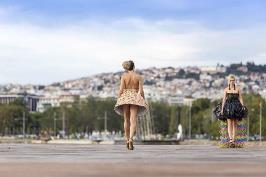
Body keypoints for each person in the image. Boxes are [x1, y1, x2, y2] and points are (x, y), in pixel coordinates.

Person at [114, 60, 148, 150]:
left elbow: (121, 89)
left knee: (126, 119)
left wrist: (118, 99)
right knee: (133, 120)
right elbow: (141, 90)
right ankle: (131, 139)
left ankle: (126, 140)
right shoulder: (138, 77)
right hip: (135, 98)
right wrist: (143, 99)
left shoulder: (124, 76)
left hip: (125, 97)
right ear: (134, 67)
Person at [213, 75, 248, 147]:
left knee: (234, 123)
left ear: (234, 81)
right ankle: (231, 139)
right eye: (231, 80)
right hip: (228, 107)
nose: (232, 82)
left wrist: (243, 106)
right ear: (229, 81)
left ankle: (233, 139)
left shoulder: (238, 89)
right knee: (229, 123)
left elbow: (240, 98)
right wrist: (222, 109)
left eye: (233, 80)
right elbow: (223, 100)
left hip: (236, 107)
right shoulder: (226, 89)